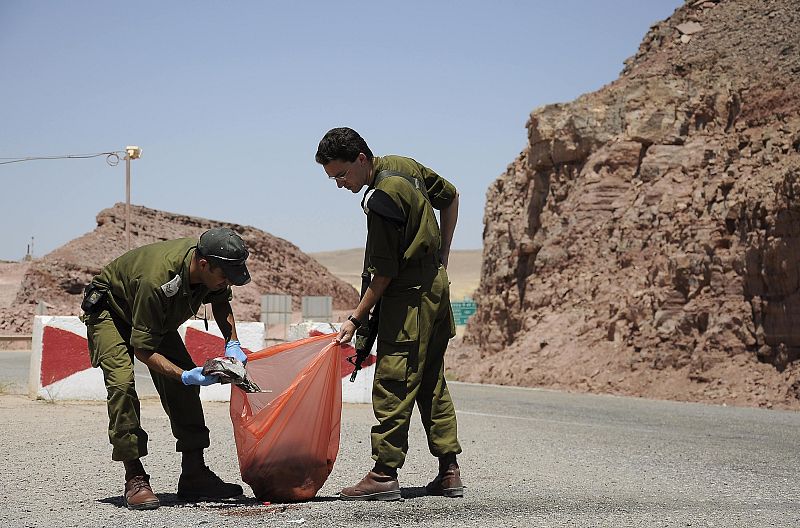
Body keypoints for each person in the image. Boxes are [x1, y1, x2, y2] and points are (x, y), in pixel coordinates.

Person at [315, 127, 464, 500]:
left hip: (408, 299)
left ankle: (383, 474)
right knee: (430, 379)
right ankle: (449, 471)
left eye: (341, 175)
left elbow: (383, 275)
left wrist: (355, 319)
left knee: (394, 381)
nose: (339, 184)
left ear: (361, 160)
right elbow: (451, 195)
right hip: (435, 290)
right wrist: (443, 254)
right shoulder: (404, 165)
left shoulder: (381, 199)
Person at [81, 227, 252, 510]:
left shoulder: (213, 269)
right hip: (112, 313)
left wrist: (233, 343)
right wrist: (185, 376)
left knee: (184, 384)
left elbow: (221, 302)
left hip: (150, 318)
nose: (225, 283)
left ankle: (194, 474)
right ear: (204, 264)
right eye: (223, 276)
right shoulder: (157, 280)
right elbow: (143, 349)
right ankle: (134, 477)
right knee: (123, 385)